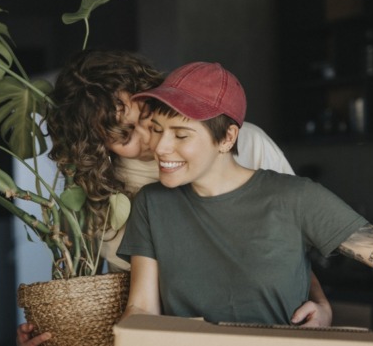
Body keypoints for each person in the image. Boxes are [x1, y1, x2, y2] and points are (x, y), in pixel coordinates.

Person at [116, 61, 373, 341]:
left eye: (181, 135)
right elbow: (142, 308)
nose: (161, 148)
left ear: (226, 138)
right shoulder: (153, 203)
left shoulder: (296, 197)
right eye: (159, 131)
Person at [17, 50, 332, 346]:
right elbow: (125, 302)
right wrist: (57, 332)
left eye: (146, 116)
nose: (149, 141)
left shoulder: (245, 142)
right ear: (95, 144)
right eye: (123, 136)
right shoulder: (102, 194)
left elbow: (294, 246)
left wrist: (320, 303)